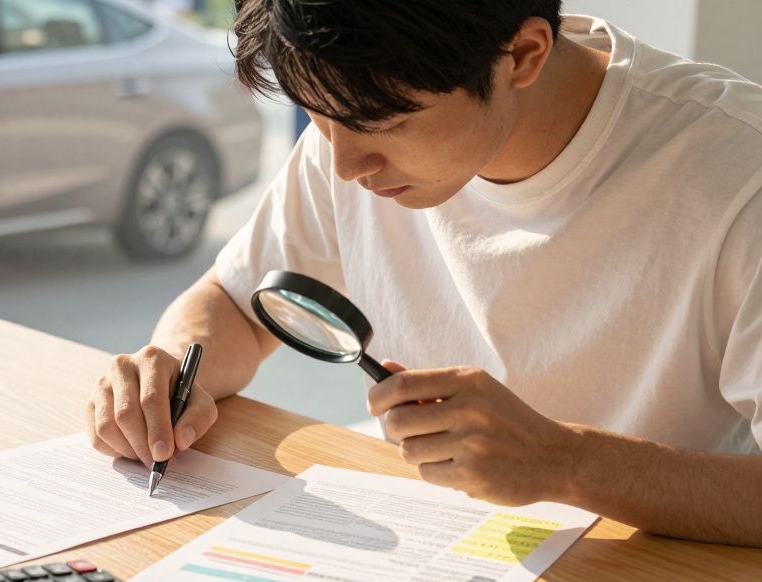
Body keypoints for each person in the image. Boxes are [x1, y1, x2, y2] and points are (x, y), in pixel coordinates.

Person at [85, 0, 762, 546]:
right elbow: (236, 302)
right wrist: (168, 374)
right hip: (438, 557)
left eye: (381, 123)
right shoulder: (350, 123)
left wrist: (568, 463)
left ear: (523, 55)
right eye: (316, 118)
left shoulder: (739, 176)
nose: (345, 166)